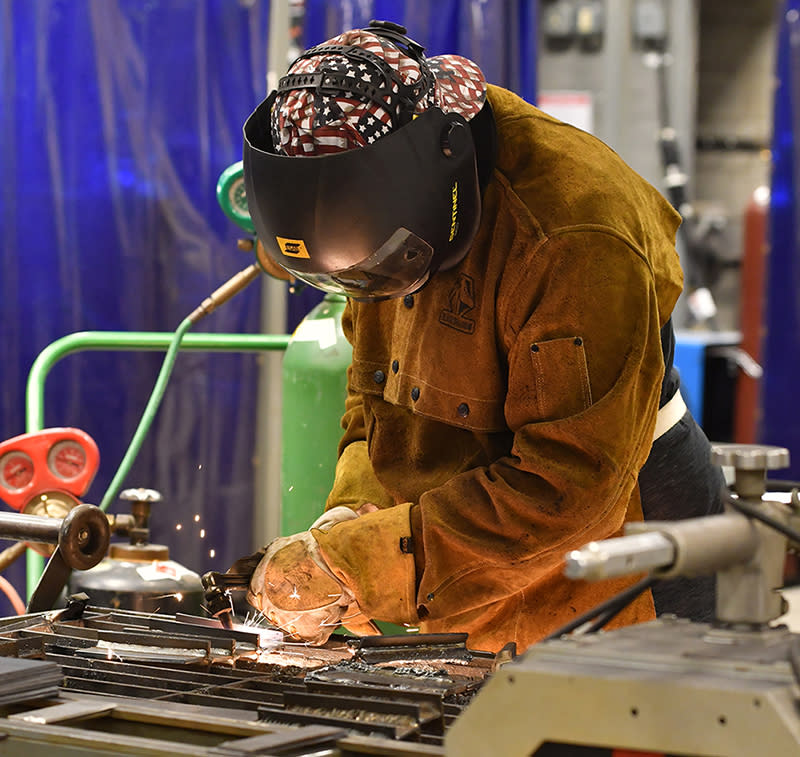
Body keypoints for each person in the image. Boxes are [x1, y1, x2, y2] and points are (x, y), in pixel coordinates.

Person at [235, 20, 726, 653]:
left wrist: (369, 563)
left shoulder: (577, 236)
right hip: (483, 526)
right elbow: (374, 386)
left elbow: (568, 486)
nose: (373, 291)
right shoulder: (387, 214)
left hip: (622, 532)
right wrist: (352, 511)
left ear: (440, 184)